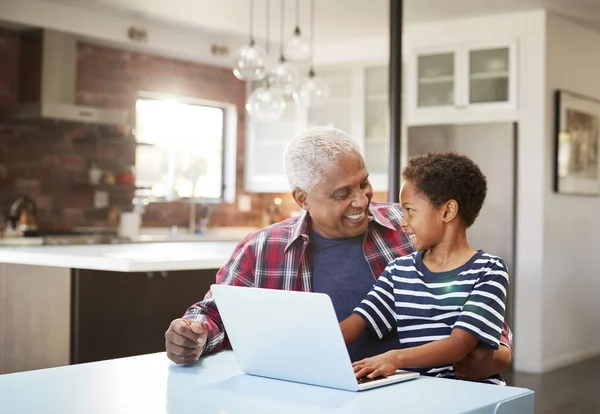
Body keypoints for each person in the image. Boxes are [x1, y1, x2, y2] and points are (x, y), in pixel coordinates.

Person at [164, 126, 512, 381]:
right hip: (313, 395)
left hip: (410, 392)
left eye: (363, 182)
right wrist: (192, 335)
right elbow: (213, 314)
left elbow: (476, 307)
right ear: (302, 198)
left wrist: (497, 357)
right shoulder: (261, 249)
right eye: (342, 193)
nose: (361, 200)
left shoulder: (410, 228)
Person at [340, 151, 509, 385]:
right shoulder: (397, 271)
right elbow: (357, 322)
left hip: (472, 392)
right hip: (420, 391)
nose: (402, 221)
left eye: (409, 210)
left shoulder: (489, 270)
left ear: (447, 211)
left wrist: (394, 358)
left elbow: (458, 345)